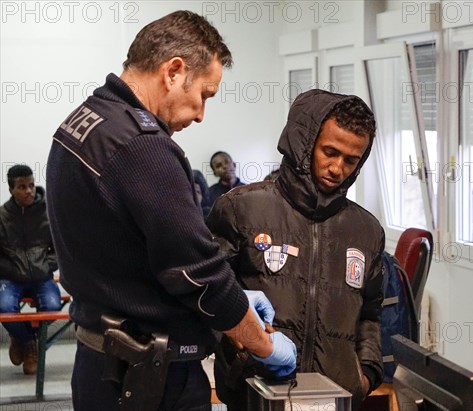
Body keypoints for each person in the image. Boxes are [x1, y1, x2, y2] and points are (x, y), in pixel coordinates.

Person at [46, 10, 295, 411]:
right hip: (148, 378)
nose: (200, 114)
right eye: (204, 95)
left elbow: (125, 245)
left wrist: (237, 300)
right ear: (174, 71)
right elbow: (198, 273)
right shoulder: (144, 147)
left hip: (98, 359)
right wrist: (262, 343)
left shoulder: (85, 120)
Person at [207, 89, 385, 410]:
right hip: (255, 394)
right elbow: (207, 293)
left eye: (350, 160)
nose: (337, 168)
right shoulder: (240, 209)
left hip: (335, 399)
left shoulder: (366, 231)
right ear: (304, 145)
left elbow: (370, 315)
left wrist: (366, 374)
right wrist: (237, 355)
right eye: (329, 152)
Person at [0, 164, 61, 375]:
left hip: (41, 277)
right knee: (4, 309)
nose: (29, 191)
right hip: (11, 279)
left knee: (53, 308)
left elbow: (60, 247)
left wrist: (46, 265)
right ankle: (28, 342)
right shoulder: (2, 216)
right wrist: (11, 269)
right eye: (22, 187)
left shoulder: (48, 212)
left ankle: (23, 338)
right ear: (11, 190)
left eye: (31, 185)